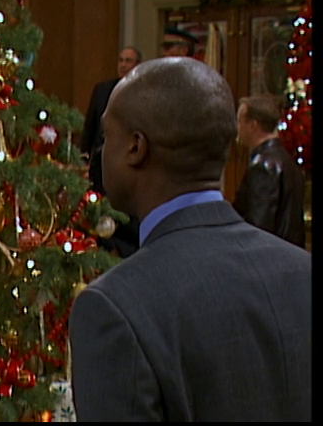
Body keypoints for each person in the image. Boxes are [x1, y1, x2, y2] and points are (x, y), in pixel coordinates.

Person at [69, 57, 311, 421]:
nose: (100, 152)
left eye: (106, 137)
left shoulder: (115, 308)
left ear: (136, 147)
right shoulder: (304, 273)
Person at [81, 46, 142, 258]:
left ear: (137, 65)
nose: (123, 65)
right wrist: (83, 161)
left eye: (128, 61)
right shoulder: (102, 90)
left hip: (128, 166)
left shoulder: (142, 94)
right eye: (121, 60)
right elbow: (89, 129)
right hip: (100, 166)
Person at [232, 95, 306, 247]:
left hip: (270, 255)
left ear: (253, 125)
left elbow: (258, 228)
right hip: (290, 253)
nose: (237, 128)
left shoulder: (263, 166)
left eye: (240, 122)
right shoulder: (287, 161)